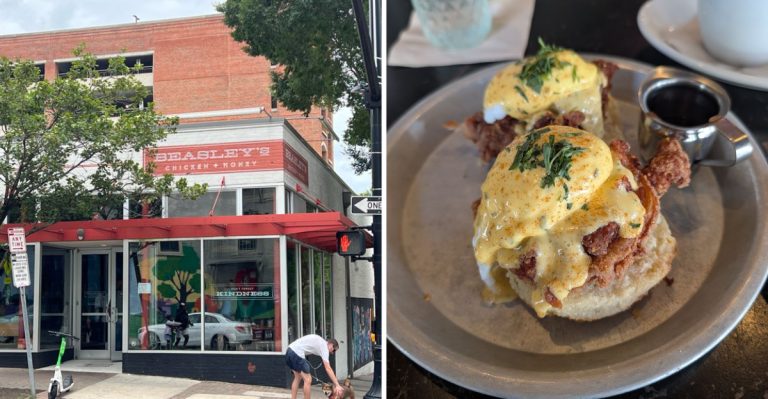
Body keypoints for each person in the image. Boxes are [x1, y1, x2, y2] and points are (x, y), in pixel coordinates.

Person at [285, 334, 343, 399]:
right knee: (308, 379)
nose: (332, 352)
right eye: (334, 350)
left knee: (297, 377)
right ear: (331, 344)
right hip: (296, 353)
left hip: (289, 351)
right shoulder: (324, 346)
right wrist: (337, 385)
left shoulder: (320, 342)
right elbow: (328, 368)